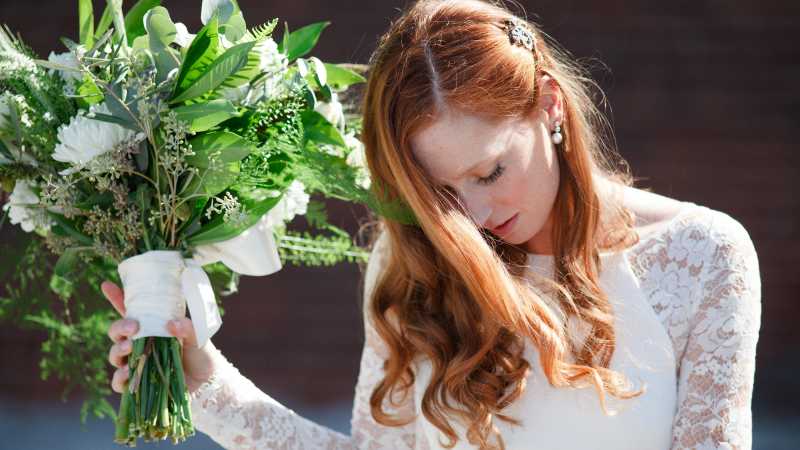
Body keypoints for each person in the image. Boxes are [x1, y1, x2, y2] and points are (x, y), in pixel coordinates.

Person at [103, 0, 762, 448]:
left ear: (550, 105)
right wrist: (203, 381)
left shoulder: (702, 255)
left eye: (490, 172)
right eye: (439, 193)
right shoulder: (410, 264)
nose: (473, 217)